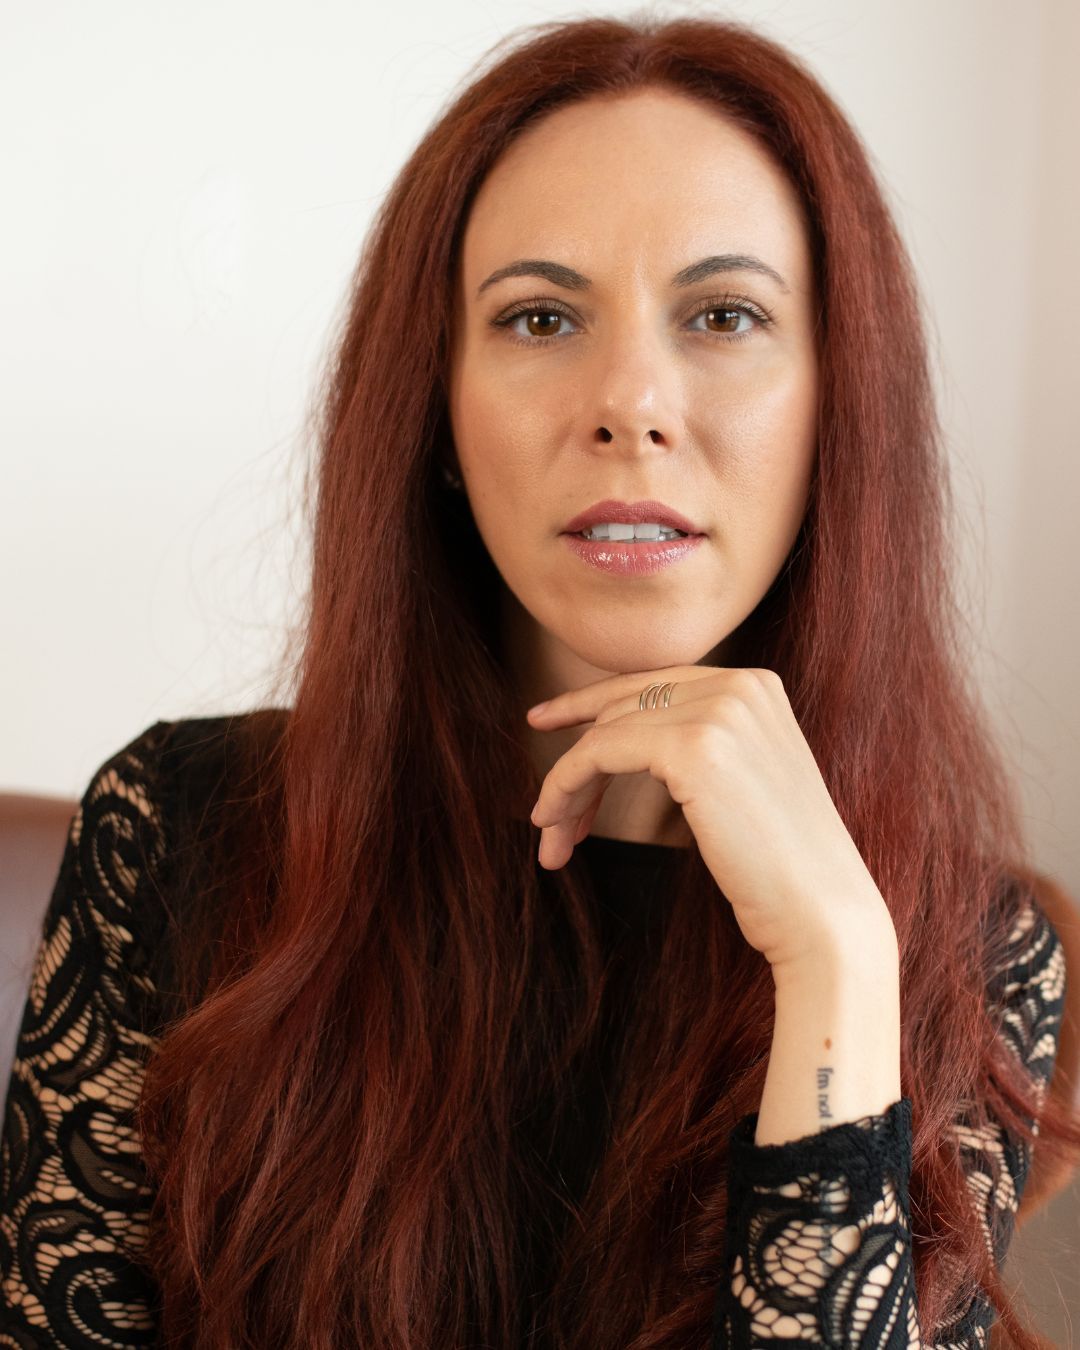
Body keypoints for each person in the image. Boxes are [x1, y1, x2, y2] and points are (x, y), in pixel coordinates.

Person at [2, 13, 1077, 1349]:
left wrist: (838, 960)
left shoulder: (963, 950)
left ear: (836, 409)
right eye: (541, 317)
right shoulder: (176, 828)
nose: (630, 403)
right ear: (439, 415)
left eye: (725, 315)